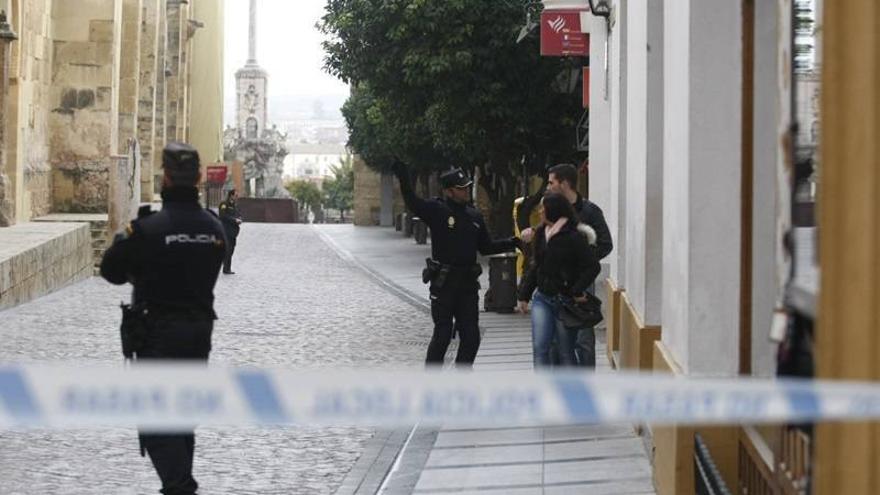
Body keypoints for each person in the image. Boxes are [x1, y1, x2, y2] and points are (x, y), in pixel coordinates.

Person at [100, 142, 227, 495]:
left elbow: (110, 270)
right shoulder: (214, 230)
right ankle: (178, 483)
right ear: (200, 178)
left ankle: (180, 486)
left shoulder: (148, 230)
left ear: (165, 179)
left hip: (157, 333)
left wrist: (138, 268)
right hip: (199, 333)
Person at [392, 162, 520, 367]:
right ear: (449, 191)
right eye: (461, 188)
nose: (466, 191)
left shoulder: (474, 215)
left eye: (467, 187)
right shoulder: (437, 210)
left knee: (471, 337)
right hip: (444, 284)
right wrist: (404, 178)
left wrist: (512, 242)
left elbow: (485, 247)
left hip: (467, 286)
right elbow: (413, 202)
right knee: (442, 335)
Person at [522, 164, 612, 368]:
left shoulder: (589, 211)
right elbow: (540, 257)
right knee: (555, 344)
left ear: (564, 184)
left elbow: (606, 244)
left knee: (583, 341)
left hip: (578, 285)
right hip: (550, 288)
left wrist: (579, 261)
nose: (548, 186)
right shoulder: (550, 215)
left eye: (551, 182)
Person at [218, 189, 242, 274]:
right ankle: (226, 269)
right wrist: (234, 220)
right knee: (228, 249)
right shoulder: (224, 204)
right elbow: (222, 216)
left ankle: (227, 267)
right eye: (235, 195)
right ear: (231, 195)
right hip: (226, 230)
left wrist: (239, 219)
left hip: (233, 231)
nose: (237, 197)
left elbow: (238, 214)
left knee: (231, 250)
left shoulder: (234, 205)